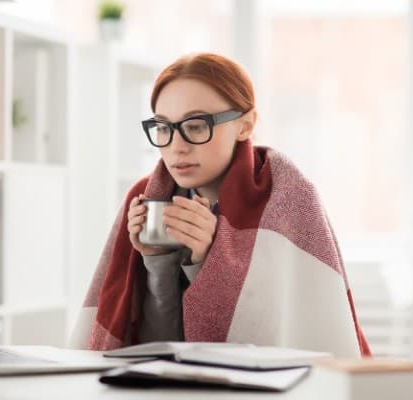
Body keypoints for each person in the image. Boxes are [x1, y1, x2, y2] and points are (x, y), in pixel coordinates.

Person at [70, 53, 370, 357]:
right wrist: (156, 258)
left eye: (197, 126)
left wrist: (209, 262)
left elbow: (271, 346)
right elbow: (155, 349)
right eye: (163, 128)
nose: (176, 146)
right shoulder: (146, 196)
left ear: (245, 125)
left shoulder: (290, 199)